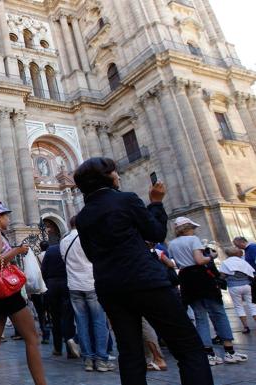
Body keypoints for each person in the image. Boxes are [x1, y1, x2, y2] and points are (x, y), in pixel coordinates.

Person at [73, 157, 213, 385]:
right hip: (145, 282)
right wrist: (156, 203)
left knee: (130, 354)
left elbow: (91, 254)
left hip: (111, 289)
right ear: (106, 177)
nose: (118, 175)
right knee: (189, 348)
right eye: (115, 172)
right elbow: (156, 233)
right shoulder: (126, 200)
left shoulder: (83, 217)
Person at [0, 201, 47, 385]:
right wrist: (17, 250)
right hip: (5, 288)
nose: (9, 219)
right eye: (6, 215)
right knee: (32, 337)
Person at [169, 217, 248, 365]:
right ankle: (229, 351)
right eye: (192, 227)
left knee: (200, 317)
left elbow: (174, 262)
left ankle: (208, 354)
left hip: (185, 278)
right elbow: (199, 260)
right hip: (201, 277)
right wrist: (210, 256)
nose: (194, 230)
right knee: (218, 313)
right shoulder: (193, 239)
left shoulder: (172, 243)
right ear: (188, 228)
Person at [60, 215, 113, 372]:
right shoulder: (88, 237)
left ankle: (88, 360)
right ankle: (102, 359)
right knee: (99, 321)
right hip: (91, 283)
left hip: (74, 285)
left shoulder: (63, 241)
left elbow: (65, 261)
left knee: (81, 323)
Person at [40, 242, 78, 358]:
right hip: (66, 283)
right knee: (67, 316)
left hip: (52, 285)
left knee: (55, 317)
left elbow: (43, 269)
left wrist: (48, 283)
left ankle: (57, 348)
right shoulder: (67, 248)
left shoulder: (50, 250)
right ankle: (70, 346)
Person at [220, 246, 256, 333]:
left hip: (234, 286)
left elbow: (222, 275)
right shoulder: (243, 261)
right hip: (247, 285)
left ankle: (245, 327)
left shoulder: (225, 263)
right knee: (252, 305)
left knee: (238, 306)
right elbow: (251, 273)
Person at [29, 241, 49, 344]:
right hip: (49, 285)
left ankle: (45, 332)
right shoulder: (52, 254)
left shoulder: (37, 257)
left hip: (40, 286)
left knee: (41, 312)